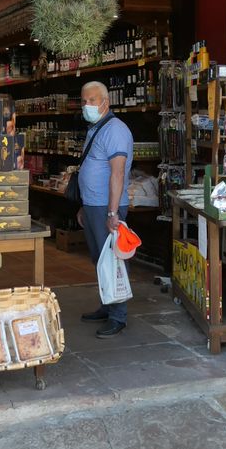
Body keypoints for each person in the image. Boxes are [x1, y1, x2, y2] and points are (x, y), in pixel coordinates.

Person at [77, 80, 133, 337]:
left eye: (91, 101)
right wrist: (84, 206)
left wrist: (112, 212)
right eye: (83, 101)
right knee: (99, 260)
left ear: (105, 103)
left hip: (107, 208)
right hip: (93, 205)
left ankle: (118, 315)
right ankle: (107, 304)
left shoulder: (116, 130)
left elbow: (117, 173)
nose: (86, 105)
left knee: (113, 261)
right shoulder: (96, 128)